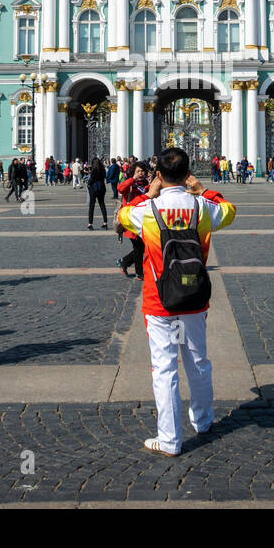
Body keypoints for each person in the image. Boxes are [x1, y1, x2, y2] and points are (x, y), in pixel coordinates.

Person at [116, 147, 236, 457]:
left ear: (158, 175)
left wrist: (149, 194)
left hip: (160, 301)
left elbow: (123, 215)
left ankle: (169, 439)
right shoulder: (202, 206)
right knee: (198, 361)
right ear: (188, 174)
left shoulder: (148, 210)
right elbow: (230, 211)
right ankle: (203, 419)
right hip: (194, 296)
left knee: (164, 369)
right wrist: (203, 190)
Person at [115, 162, 148, 278]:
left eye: (142, 171)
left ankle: (124, 262)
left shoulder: (147, 186)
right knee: (139, 247)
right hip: (131, 220)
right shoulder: (129, 185)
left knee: (141, 247)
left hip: (144, 221)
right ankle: (139, 272)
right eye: (138, 171)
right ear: (133, 172)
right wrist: (132, 179)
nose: (140, 174)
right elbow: (119, 188)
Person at [86, 157, 109, 229]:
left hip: (93, 189)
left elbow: (91, 180)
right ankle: (105, 222)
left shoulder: (93, 170)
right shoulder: (102, 170)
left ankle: (90, 224)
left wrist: (88, 183)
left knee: (92, 206)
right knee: (102, 205)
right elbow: (105, 177)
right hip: (101, 188)